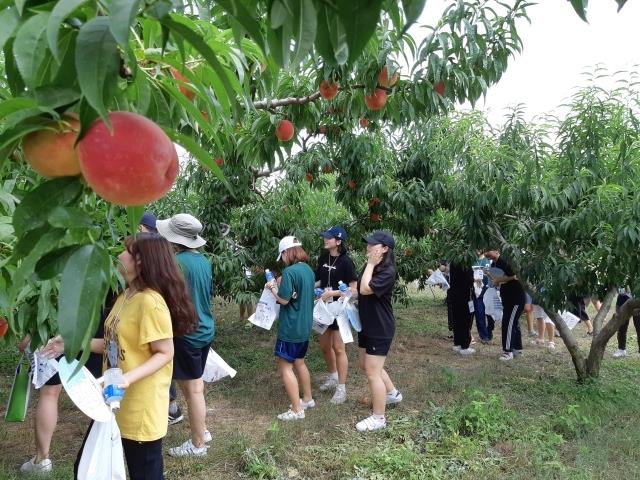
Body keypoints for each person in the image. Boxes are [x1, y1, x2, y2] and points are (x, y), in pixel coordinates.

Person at [44, 233, 196, 479]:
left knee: (144, 473)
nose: (118, 255)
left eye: (126, 251)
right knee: (86, 467)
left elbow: (165, 352)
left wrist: (127, 379)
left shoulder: (150, 302)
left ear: (141, 261)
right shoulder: (126, 296)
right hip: (113, 401)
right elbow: (113, 344)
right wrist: (72, 343)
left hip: (140, 407)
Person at [157, 214, 215, 457]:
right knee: (193, 387)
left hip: (187, 334)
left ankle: (197, 444)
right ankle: (201, 429)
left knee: (193, 390)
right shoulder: (203, 261)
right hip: (204, 329)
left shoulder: (176, 263)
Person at [356, 231, 402, 432]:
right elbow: (358, 289)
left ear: (385, 248)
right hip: (367, 323)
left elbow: (366, 289)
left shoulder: (387, 271)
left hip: (380, 327)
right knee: (365, 365)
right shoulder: (372, 267)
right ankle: (391, 394)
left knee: (373, 372)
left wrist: (371, 265)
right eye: (368, 243)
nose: (368, 247)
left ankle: (379, 418)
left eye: (373, 244)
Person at [266, 236, 315, 421]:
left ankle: (296, 409)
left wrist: (272, 288)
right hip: (304, 326)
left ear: (287, 252)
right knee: (300, 362)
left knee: (285, 366)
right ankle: (307, 399)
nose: (283, 259)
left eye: (283, 255)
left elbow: (284, 300)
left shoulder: (289, 272)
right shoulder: (308, 270)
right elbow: (297, 294)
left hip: (290, 328)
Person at [315, 226, 358, 404]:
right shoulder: (323, 258)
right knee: (325, 346)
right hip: (324, 308)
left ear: (338, 241)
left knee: (339, 348)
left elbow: (354, 289)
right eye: (325, 237)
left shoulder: (346, 262)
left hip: (339, 310)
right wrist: (312, 288)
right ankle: (333, 377)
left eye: (329, 238)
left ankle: (342, 388)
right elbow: (319, 280)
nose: (325, 240)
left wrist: (332, 294)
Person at [484, 250, 525, 361]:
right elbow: (496, 280)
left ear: (497, 251)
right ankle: (517, 347)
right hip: (506, 297)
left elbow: (515, 276)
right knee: (513, 322)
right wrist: (490, 275)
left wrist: (499, 279)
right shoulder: (494, 264)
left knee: (508, 323)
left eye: (489, 251)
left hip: (515, 297)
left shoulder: (507, 261)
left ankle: (508, 351)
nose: (486, 254)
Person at [449, 262, 475, 355]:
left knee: (457, 319)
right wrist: (474, 279)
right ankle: (465, 346)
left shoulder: (453, 262)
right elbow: (468, 280)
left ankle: (457, 344)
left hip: (454, 294)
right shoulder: (465, 263)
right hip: (464, 296)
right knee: (465, 320)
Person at [612, 289, 640, 358]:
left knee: (639, 327)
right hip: (622, 297)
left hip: (637, 297)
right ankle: (621, 349)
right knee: (621, 327)